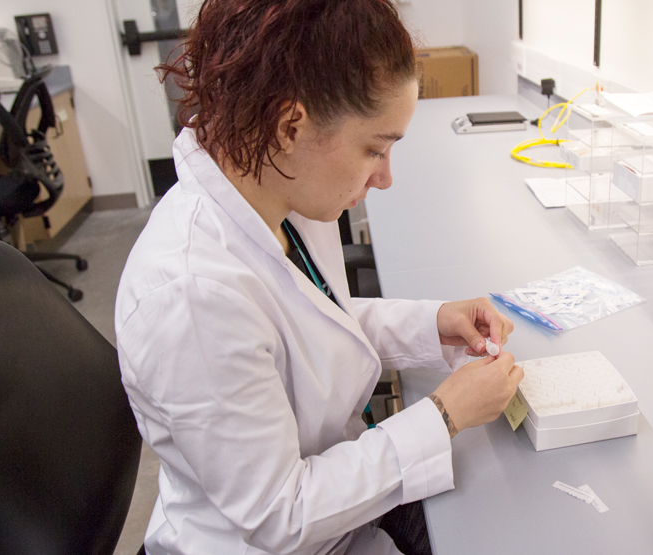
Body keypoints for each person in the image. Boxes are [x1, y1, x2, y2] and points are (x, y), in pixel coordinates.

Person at [114, 1, 524, 554]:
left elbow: (315, 321)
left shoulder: (275, 185)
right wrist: (445, 415)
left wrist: (434, 322)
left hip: (339, 505)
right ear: (290, 125)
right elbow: (279, 515)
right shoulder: (191, 295)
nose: (384, 178)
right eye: (373, 149)